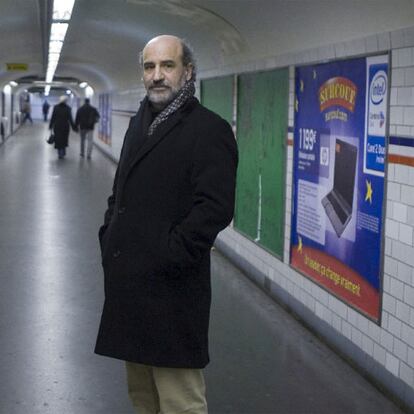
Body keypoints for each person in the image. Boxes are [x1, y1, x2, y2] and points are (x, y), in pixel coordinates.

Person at [94, 35, 238, 414]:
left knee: (180, 401)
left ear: (187, 72)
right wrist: (109, 236)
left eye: (167, 66)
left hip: (172, 288)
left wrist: (169, 252)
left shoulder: (209, 129)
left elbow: (215, 209)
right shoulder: (139, 124)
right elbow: (119, 193)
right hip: (130, 284)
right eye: (149, 66)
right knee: (142, 396)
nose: (157, 75)